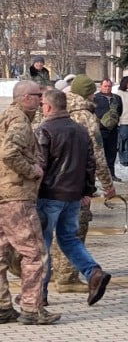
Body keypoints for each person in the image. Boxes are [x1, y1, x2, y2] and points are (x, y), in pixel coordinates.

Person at [35, 89, 112, 308]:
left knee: (43, 244)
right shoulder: (81, 130)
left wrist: (32, 193)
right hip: (74, 196)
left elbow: (40, 166)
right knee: (69, 238)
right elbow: (91, 164)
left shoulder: (44, 130)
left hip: (49, 195)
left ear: (48, 107)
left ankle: (39, 293)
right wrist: (87, 191)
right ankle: (93, 272)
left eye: (43, 105)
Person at [50, 76, 116, 293]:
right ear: (88, 94)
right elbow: (96, 155)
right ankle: (67, 279)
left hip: (52, 183)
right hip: (76, 182)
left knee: (53, 230)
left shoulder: (55, 110)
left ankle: (54, 273)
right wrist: (107, 184)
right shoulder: (86, 117)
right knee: (74, 229)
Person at [0, 82, 55, 324]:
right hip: (17, 196)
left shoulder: (7, 117)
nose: (41, 100)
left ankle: (3, 306)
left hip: (4, 194)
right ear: (24, 98)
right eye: (37, 96)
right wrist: (32, 170)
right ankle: (32, 308)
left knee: (1, 252)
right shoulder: (21, 122)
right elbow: (9, 153)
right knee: (34, 253)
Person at [93, 79, 121, 181]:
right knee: (100, 153)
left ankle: (111, 174)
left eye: (109, 86)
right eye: (105, 86)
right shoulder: (95, 98)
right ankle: (99, 174)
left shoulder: (117, 98)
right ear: (101, 86)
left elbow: (120, 111)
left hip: (113, 129)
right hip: (100, 129)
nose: (107, 88)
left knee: (112, 152)